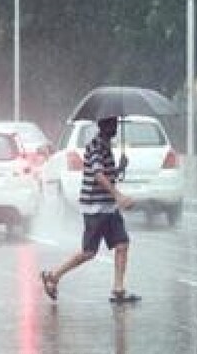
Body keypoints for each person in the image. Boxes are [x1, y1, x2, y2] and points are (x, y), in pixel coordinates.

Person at [41, 116, 140, 303]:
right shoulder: (95, 146)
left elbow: (107, 174)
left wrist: (120, 168)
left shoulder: (105, 146)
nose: (116, 128)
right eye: (112, 124)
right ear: (103, 126)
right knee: (89, 252)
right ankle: (53, 276)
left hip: (108, 207)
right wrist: (119, 195)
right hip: (95, 208)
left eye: (116, 124)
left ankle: (118, 289)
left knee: (122, 244)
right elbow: (98, 174)